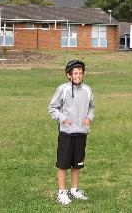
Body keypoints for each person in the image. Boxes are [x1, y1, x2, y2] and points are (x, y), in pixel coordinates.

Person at [48, 59, 95, 205]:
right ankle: (62, 192)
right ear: (69, 75)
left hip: (81, 132)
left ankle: (74, 190)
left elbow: (91, 107)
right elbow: (52, 107)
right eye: (75, 73)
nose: (78, 75)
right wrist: (63, 119)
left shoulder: (87, 89)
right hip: (67, 133)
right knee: (63, 164)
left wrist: (89, 117)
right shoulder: (63, 89)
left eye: (80, 73)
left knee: (77, 164)